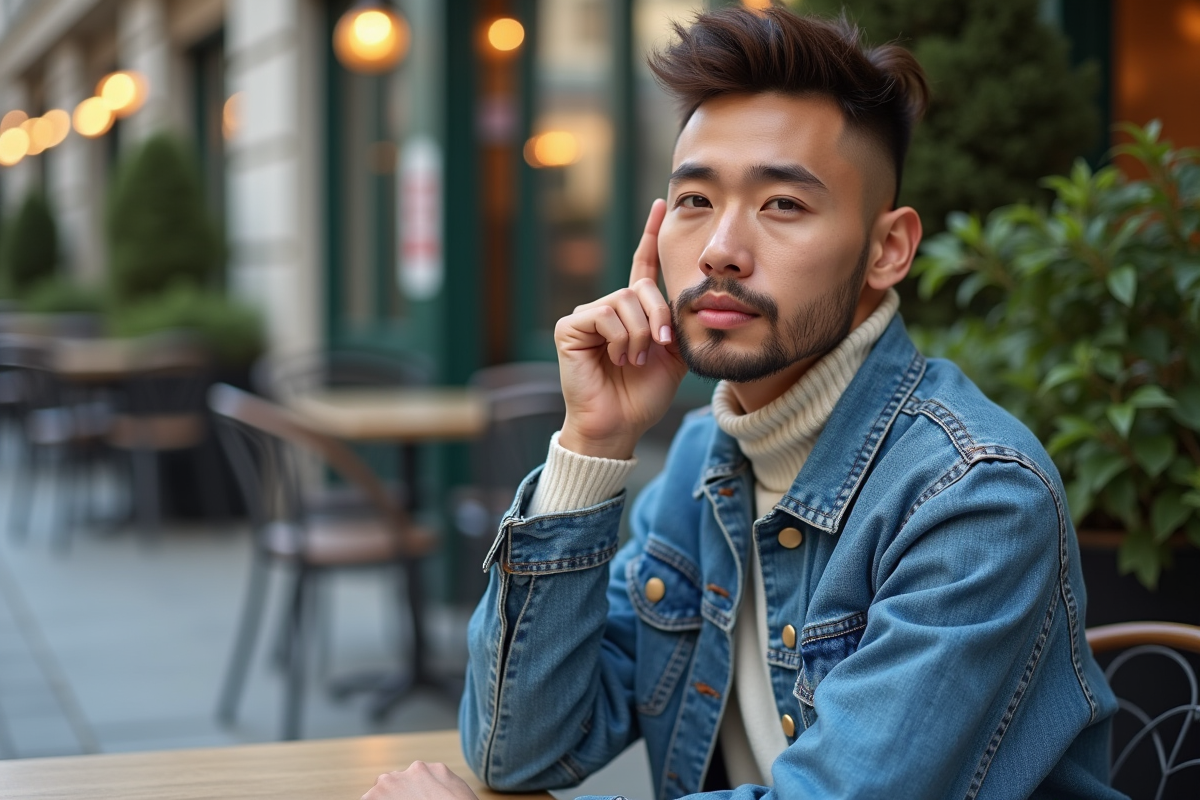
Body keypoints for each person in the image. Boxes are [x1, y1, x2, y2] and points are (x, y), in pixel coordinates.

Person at [362, 6, 1123, 800]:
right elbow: (515, 752)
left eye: (783, 204)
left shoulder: (974, 495)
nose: (721, 246)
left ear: (886, 249)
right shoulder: (704, 459)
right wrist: (592, 443)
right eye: (693, 200)